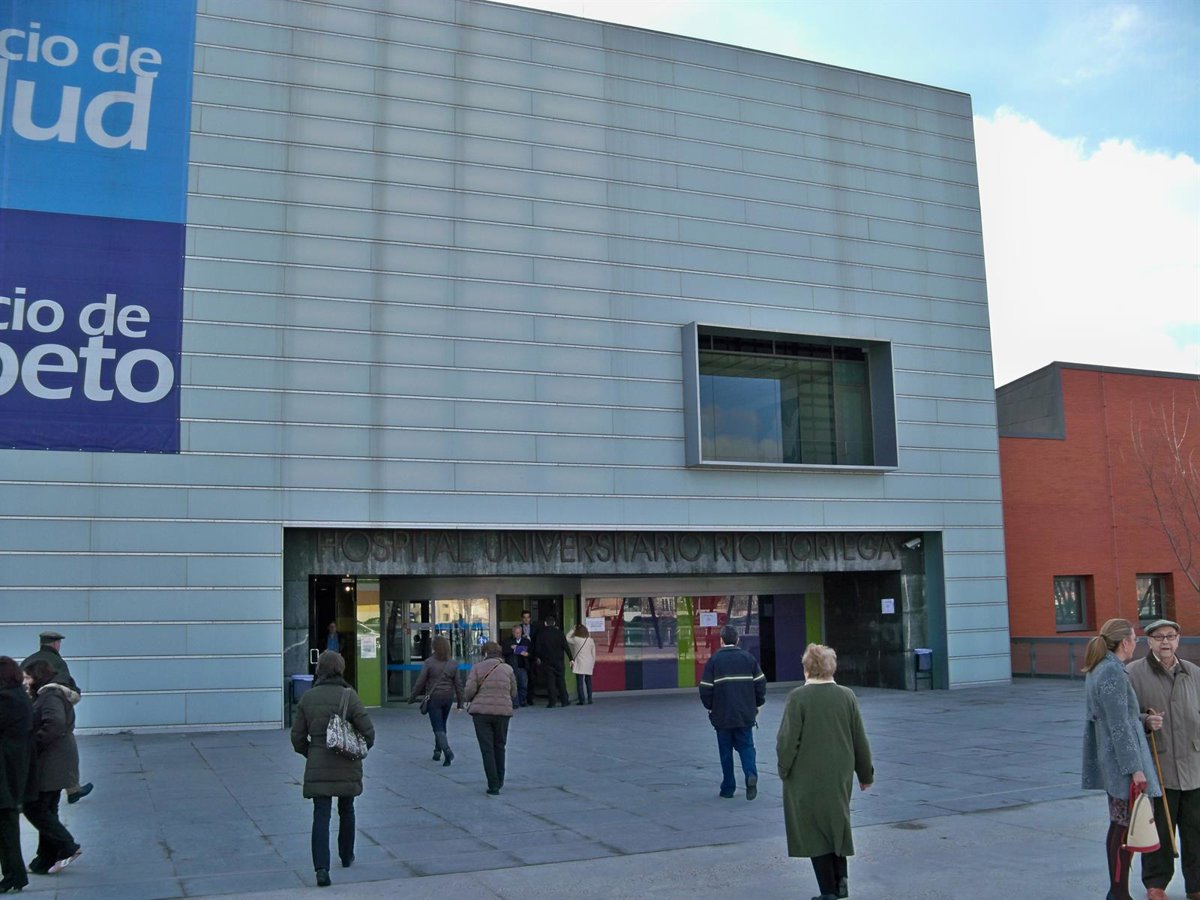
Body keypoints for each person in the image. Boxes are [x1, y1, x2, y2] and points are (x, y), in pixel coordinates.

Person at [776, 644, 873, 900]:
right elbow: (859, 738)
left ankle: (827, 891)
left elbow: (787, 741)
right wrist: (865, 775)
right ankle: (841, 879)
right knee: (836, 823)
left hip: (806, 775)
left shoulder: (798, 697)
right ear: (832, 667)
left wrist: (784, 768)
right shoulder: (847, 695)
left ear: (807, 668)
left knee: (814, 830)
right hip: (840, 772)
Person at [1083, 618, 1162, 900]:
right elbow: (1118, 725)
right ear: (1125, 642)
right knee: (1123, 827)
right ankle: (1118, 893)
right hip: (1121, 766)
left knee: (1121, 825)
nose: (1135, 644)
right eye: (1135, 639)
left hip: (1113, 760)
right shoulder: (1112, 672)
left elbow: (1117, 717)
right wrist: (1134, 769)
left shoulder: (1100, 668)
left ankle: (1118, 892)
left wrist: (1142, 719)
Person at [1126, 617, 1200, 900]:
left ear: (1178, 639)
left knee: (1196, 831)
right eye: (1159, 637)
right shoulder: (1133, 673)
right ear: (1149, 642)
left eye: (1170, 636)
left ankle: (1196, 885)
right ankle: (1156, 885)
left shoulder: (1193, 672)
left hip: (1194, 766)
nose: (1165, 642)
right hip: (1160, 766)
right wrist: (1145, 721)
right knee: (1159, 829)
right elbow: (1123, 718)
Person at [290, 651, 375, 889]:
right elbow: (369, 733)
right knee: (347, 808)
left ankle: (321, 869)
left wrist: (312, 753)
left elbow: (297, 737)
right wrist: (354, 750)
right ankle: (346, 855)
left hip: (318, 763)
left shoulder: (308, 698)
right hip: (347, 764)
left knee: (321, 815)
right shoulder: (350, 696)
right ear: (340, 669)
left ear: (319, 670)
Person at [21, 660, 82, 877]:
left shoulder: (50, 696)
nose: (25, 682)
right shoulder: (51, 694)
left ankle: (67, 845)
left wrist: (33, 744)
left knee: (35, 808)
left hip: (51, 760)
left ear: (38, 677)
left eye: (28, 677)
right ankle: (45, 858)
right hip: (57, 758)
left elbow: (54, 724)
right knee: (48, 808)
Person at [21, 632, 91, 804]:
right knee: (63, 751)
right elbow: (66, 685)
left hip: (33, 712)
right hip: (52, 713)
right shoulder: (57, 663)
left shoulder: (29, 660)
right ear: (55, 644)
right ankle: (72, 789)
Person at [699, 624, 766, 799]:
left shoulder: (714, 661)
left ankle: (728, 788)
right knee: (747, 747)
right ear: (737, 640)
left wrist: (710, 706)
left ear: (721, 640)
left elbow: (705, 688)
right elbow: (760, 684)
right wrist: (757, 704)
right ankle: (750, 774)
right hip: (745, 714)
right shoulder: (748, 658)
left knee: (725, 751)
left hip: (722, 715)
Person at [464, 642, 517, 795]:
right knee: (500, 745)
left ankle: (493, 784)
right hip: (502, 713)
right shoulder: (508, 669)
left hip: (481, 713)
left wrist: (469, 698)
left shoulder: (477, 668)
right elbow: (513, 692)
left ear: (485, 653)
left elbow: (469, 691)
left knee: (487, 748)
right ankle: (500, 779)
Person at [0, 657, 33, 893]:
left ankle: (14, 875)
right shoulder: (18, 696)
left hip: (5, 771)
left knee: (6, 827)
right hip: (13, 769)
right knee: (7, 825)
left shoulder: (6, 699)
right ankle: (15, 875)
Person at [409, 636, 463, 766]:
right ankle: (437, 751)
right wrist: (460, 702)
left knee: (437, 727)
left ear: (434, 647)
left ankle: (447, 751)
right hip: (448, 698)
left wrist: (413, 697)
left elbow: (420, 682)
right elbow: (458, 684)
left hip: (434, 698)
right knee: (442, 724)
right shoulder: (453, 663)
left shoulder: (429, 662)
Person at [533, 617, 571, 709]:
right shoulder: (559, 633)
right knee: (561, 680)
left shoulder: (541, 634)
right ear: (554, 623)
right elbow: (565, 646)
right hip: (559, 661)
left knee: (550, 682)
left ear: (545, 623)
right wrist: (571, 658)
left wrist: (538, 657)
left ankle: (552, 702)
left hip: (547, 661)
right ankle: (565, 701)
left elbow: (538, 648)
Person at [501, 625, 532, 708]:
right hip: (511, 666)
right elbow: (503, 652)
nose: (517, 634)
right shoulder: (507, 641)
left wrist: (527, 654)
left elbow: (532, 653)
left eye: (519, 633)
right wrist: (512, 649)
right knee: (514, 685)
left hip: (523, 666)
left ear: (521, 633)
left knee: (523, 685)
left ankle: (522, 701)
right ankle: (515, 703)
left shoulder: (526, 641)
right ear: (513, 633)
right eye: (516, 633)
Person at [567, 623, 596, 706]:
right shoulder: (590, 640)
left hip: (579, 663)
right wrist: (593, 663)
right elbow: (593, 654)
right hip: (589, 663)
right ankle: (590, 698)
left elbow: (567, 638)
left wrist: (572, 629)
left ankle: (582, 700)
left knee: (579, 682)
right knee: (588, 681)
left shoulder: (576, 639)